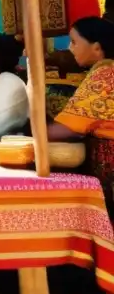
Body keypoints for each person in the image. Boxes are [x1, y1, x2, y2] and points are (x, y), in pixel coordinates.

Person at [48, 17, 114, 219]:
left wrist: (33, 134)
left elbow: (67, 128)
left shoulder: (105, 75)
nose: (70, 47)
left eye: (74, 42)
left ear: (96, 47)